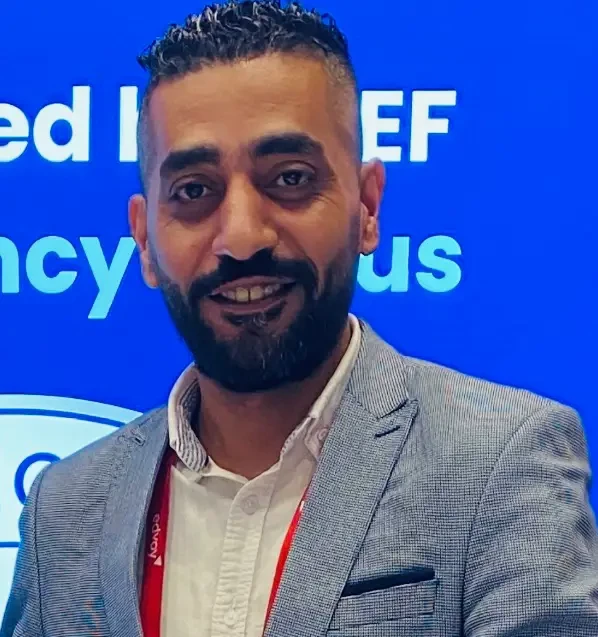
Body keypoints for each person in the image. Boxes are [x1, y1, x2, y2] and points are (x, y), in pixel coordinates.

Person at [3, 0, 598, 635]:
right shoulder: (64, 507)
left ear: (367, 208)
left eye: (289, 178)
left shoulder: (502, 462)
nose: (242, 237)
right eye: (194, 191)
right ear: (145, 239)